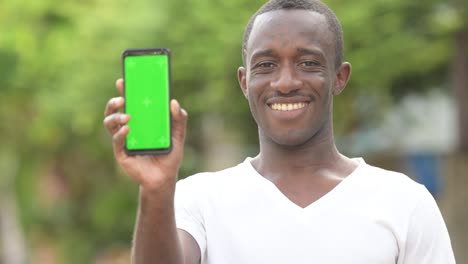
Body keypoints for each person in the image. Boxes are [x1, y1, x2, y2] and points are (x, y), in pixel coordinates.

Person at [103, 0, 456, 263]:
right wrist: (156, 189)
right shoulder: (197, 199)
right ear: (245, 81)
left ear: (339, 77)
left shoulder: (405, 202)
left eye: (308, 63)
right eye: (266, 65)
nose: (285, 82)